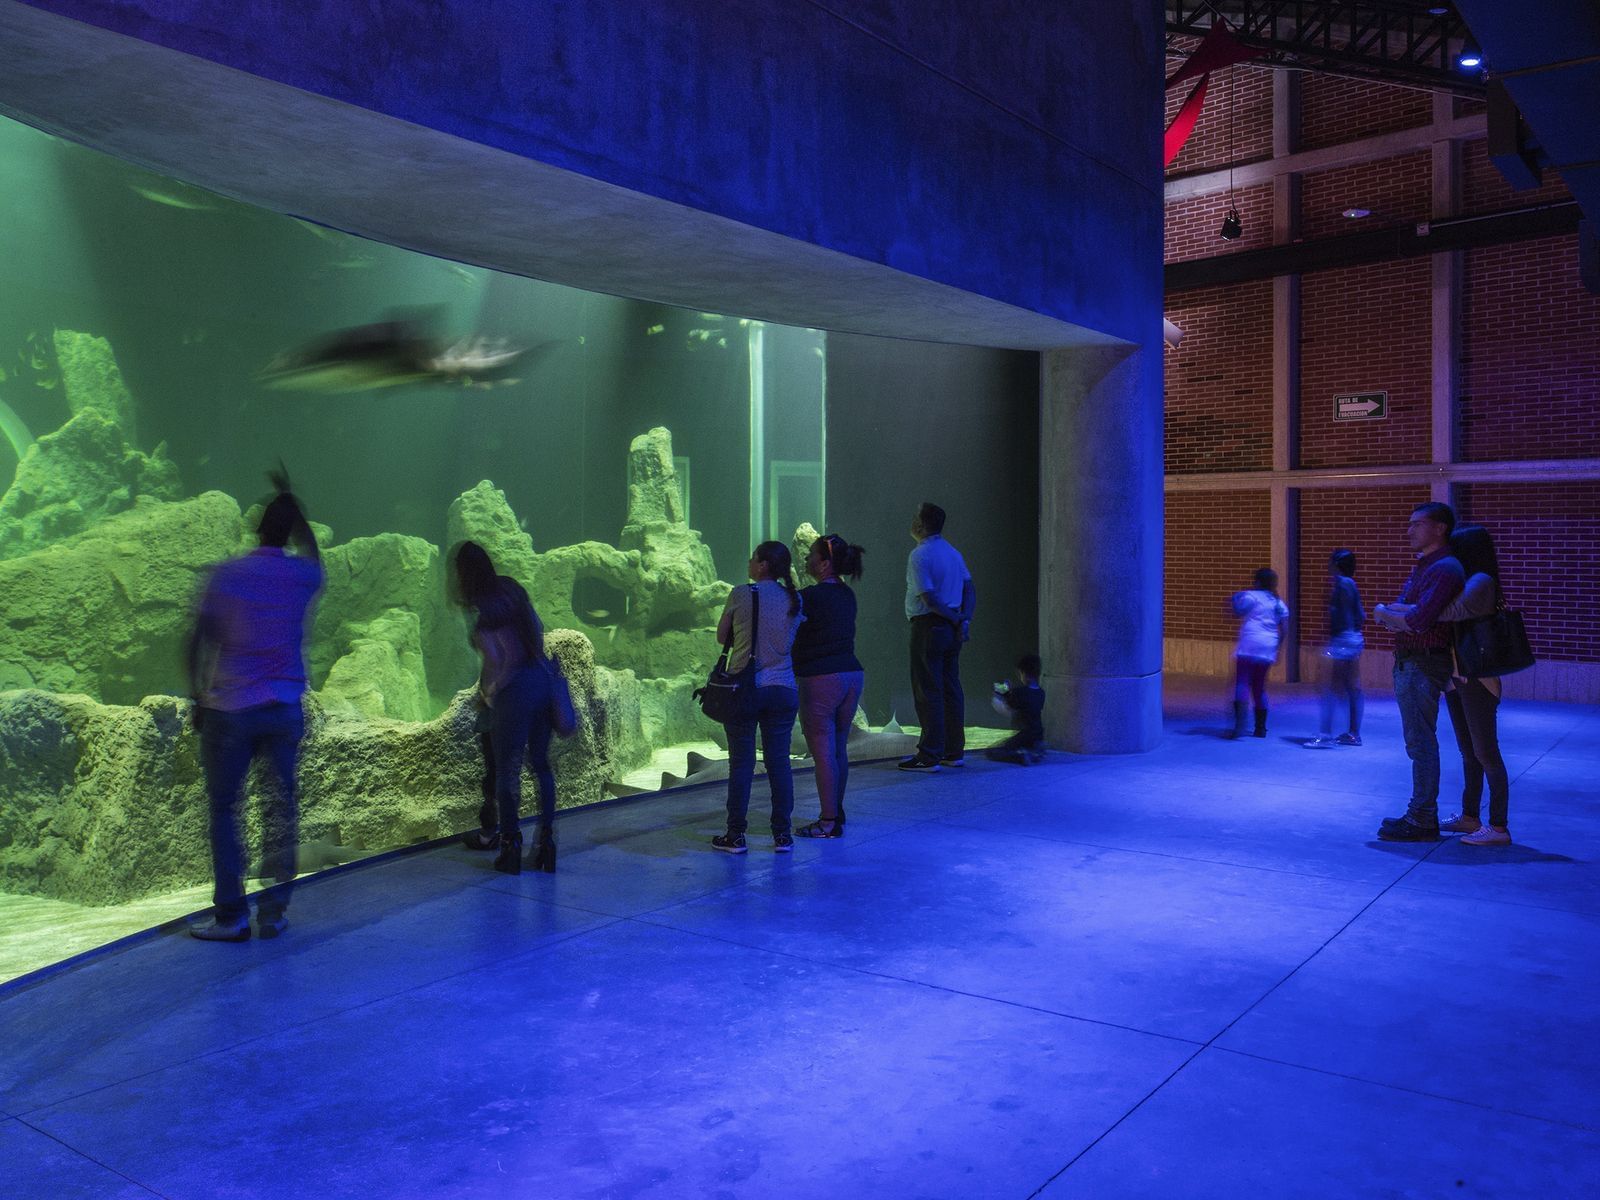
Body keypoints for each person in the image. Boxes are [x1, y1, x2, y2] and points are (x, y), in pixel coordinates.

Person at [185, 470, 324, 941]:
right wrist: (294, 505)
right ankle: (275, 911)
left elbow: (197, 640)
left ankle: (232, 916)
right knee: (280, 807)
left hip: (231, 707)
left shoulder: (228, 574)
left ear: (256, 528)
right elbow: (314, 555)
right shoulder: (301, 576)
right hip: (284, 707)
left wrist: (197, 694)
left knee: (226, 807)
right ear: (289, 531)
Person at [451, 541, 558, 874]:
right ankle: (547, 844)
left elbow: (499, 660)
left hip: (513, 694)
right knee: (541, 767)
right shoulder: (512, 588)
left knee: (507, 771)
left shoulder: (482, 610)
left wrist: (488, 693)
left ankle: (510, 844)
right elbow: (536, 630)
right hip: (541, 682)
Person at [1403, 525, 1512, 846]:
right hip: (1458, 675)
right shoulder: (1470, 580)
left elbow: (1452, 611)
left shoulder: (1481, 582)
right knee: (1468, 752)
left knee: (1486, 752)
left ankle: (1499, 827)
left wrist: (1422, 607)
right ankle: (1469, 817)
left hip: (1478, 678)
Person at [1373, 501, 1466, 841]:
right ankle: (1420, 813)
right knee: (1418, 741)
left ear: (1439, 528)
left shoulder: (1445, 568)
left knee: (1420, 743)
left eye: (1417, 524)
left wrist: (1385, 612)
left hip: (1422, 661)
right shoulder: (1426, 566)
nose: (1409, 530)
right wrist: (1397, 614)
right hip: (1412, 659)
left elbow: (1417, 620)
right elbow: (1406, 610)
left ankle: (1422, 817)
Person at [713, 541, 806, 853]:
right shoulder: (795, 598)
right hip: (783, 689)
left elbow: (721, 636)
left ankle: (736, 835)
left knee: (741, 764)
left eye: (753, 558)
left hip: (745, 690)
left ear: (764, 565)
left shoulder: (742, 593)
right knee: (779, 763)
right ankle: (782, 835)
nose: (750, 562)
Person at [793, 533, 866, 839]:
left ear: (824, 563)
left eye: (811, 555)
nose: (807, 559)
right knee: (838, 748)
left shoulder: (810, 597)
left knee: (822, 751)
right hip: (852, 675)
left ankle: (827, 821)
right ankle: (836, 809)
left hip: (821, 679)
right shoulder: (848, 595)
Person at [901, 502, 976, 772]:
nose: (911, 521)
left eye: (914, 517)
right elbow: (969, 589)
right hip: (951, 629)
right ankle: (953, 751)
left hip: (928, 627)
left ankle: (929, 754)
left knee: (928, 690)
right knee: (950, 688)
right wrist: (963, 619)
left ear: (921, 525)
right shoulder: (953, 553)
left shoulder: (919, 555)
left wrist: (955, 619)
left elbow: (929, 598)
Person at [1306, 549, 1365, 748]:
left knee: (1329, 687)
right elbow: (1361, 616)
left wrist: (1336, 638)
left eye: (1330, 561)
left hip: (1342, 640)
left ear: (1337, 564)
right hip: (1351, 638)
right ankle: (1353, 734)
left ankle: (1325, 735)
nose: (1327, 565)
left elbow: (1342, 616)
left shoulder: (1342, 583)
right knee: (1351, 688)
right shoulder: (1351, 583)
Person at [1226, 568, 1288, 740]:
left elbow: (1238, 611)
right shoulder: (1278, 603)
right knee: (1259, 687)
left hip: (1249, 644)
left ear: (1258, 582)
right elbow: (1284, 629)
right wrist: (1278, 648)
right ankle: (1260, 728)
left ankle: (1239, 725)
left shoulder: (1250, 596)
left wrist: (1232, 601)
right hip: (1268, 646)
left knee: (1242, 682)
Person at [985, 653, 1046, 764]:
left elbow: (1008, 706)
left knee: (992, 752)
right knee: (1023, 744)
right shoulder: (1041, 693)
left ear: (1023, 673)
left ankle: (1021, 757)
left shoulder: (1020, 692)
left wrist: (999, 694)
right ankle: (1035, 749)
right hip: (1038, 733)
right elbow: (1025, 704)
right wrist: (1009, 693)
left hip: (1024, 734)